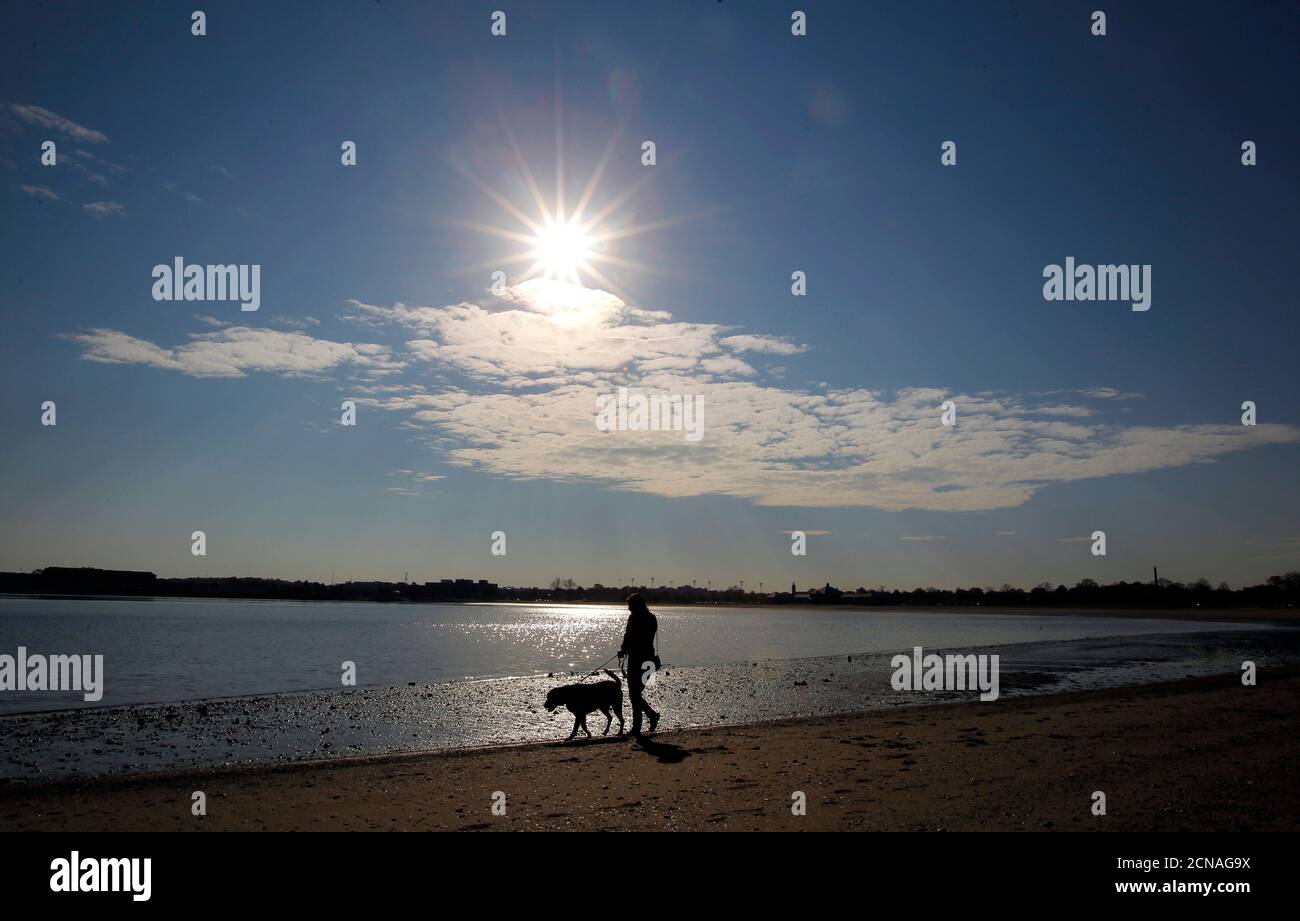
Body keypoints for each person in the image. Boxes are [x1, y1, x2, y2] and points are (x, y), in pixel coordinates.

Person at [617, 593, 660, 736]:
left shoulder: (636, 618)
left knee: (634, 695)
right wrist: (625, 649)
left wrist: (625, 649)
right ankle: (649, 718)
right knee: (635, 694)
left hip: (639, 660)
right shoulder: (651, 618)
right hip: (648, 660)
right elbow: (637, 637)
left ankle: (640, 725)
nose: (628, 608)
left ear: (636, 605)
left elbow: (630, 637)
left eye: (630, 605)